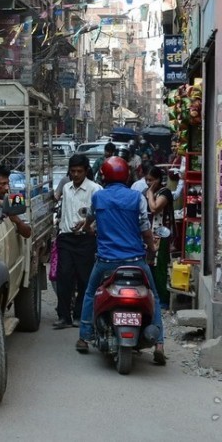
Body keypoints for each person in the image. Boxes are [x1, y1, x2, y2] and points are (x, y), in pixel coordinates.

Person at [75, 156, 165, 365]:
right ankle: (159, 343)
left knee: (89, 293)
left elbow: (89, 220)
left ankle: (84, 336)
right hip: (135, 260)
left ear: (104, 175)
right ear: (126, 175)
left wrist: (90, 229)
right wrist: (151, 251)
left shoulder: (99, 197)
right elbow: (145, 231)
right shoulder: (137, 198)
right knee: (154, 296)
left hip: (106, 261)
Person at [53, 154, 101, 329]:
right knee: (64, 277)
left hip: (86, 239)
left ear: (86, 171)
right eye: (72, 171)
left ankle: (80, 315)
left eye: (79, 171)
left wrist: (89, 225)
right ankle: (63, 316)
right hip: (66, 237)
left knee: (85, 279)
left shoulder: (96, 189)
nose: (75, 175)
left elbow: (100, 215)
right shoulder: (66, 188)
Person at [143, 166, 174, 307]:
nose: (149, 183)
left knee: (159, 266)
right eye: (147, 180)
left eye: (151, 180)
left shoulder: (164, 192)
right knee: (149, 265)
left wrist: (150, 194)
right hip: (149, 234)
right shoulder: (146, 192)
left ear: (158, 180)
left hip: (162, 235)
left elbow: (155, 208)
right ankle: (151, 295)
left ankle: (163, 299)